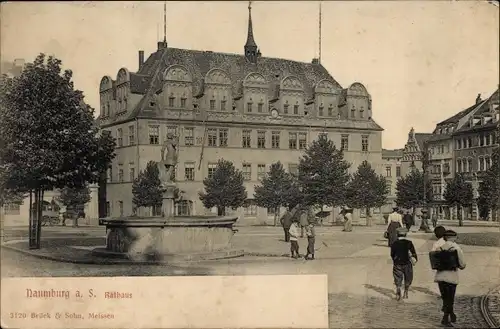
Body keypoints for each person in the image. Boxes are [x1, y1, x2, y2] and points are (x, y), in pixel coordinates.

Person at [434, 230, 466, 327]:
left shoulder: (439, 248)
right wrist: (461, 266)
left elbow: (435, 262)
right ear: (452, 238)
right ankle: (445, 319)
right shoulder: (456, 248)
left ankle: (451, 314)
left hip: (440, 276)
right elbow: (462, 264)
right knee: (450, 298)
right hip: (451, 277)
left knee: (445, 298)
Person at [390, 228, 418, 300]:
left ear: (397, 234)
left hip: (397, 263)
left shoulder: (394, 243)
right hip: (407, 263)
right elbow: (413, 253)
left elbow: (392, 254)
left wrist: (395, 260)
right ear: (406, 234)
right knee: (408, 277)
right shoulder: (409, 243)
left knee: (397, 277)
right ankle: (406, 292)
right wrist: (415, 259)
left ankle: (398, 288)